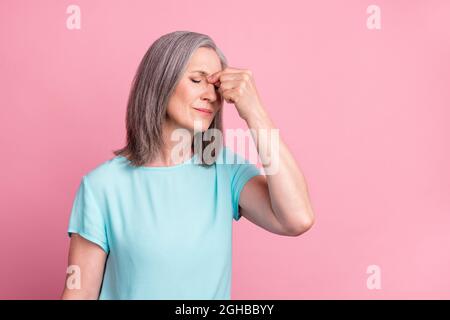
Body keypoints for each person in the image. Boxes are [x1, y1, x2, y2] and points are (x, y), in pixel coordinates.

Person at [61, 31, 315, 300]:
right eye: (197, 80)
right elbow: (81, 293)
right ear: (160, 84)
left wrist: (255, 111)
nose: (211, 96)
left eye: (216, 86)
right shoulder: (102, 186)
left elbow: (298, 218)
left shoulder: (225, 170)